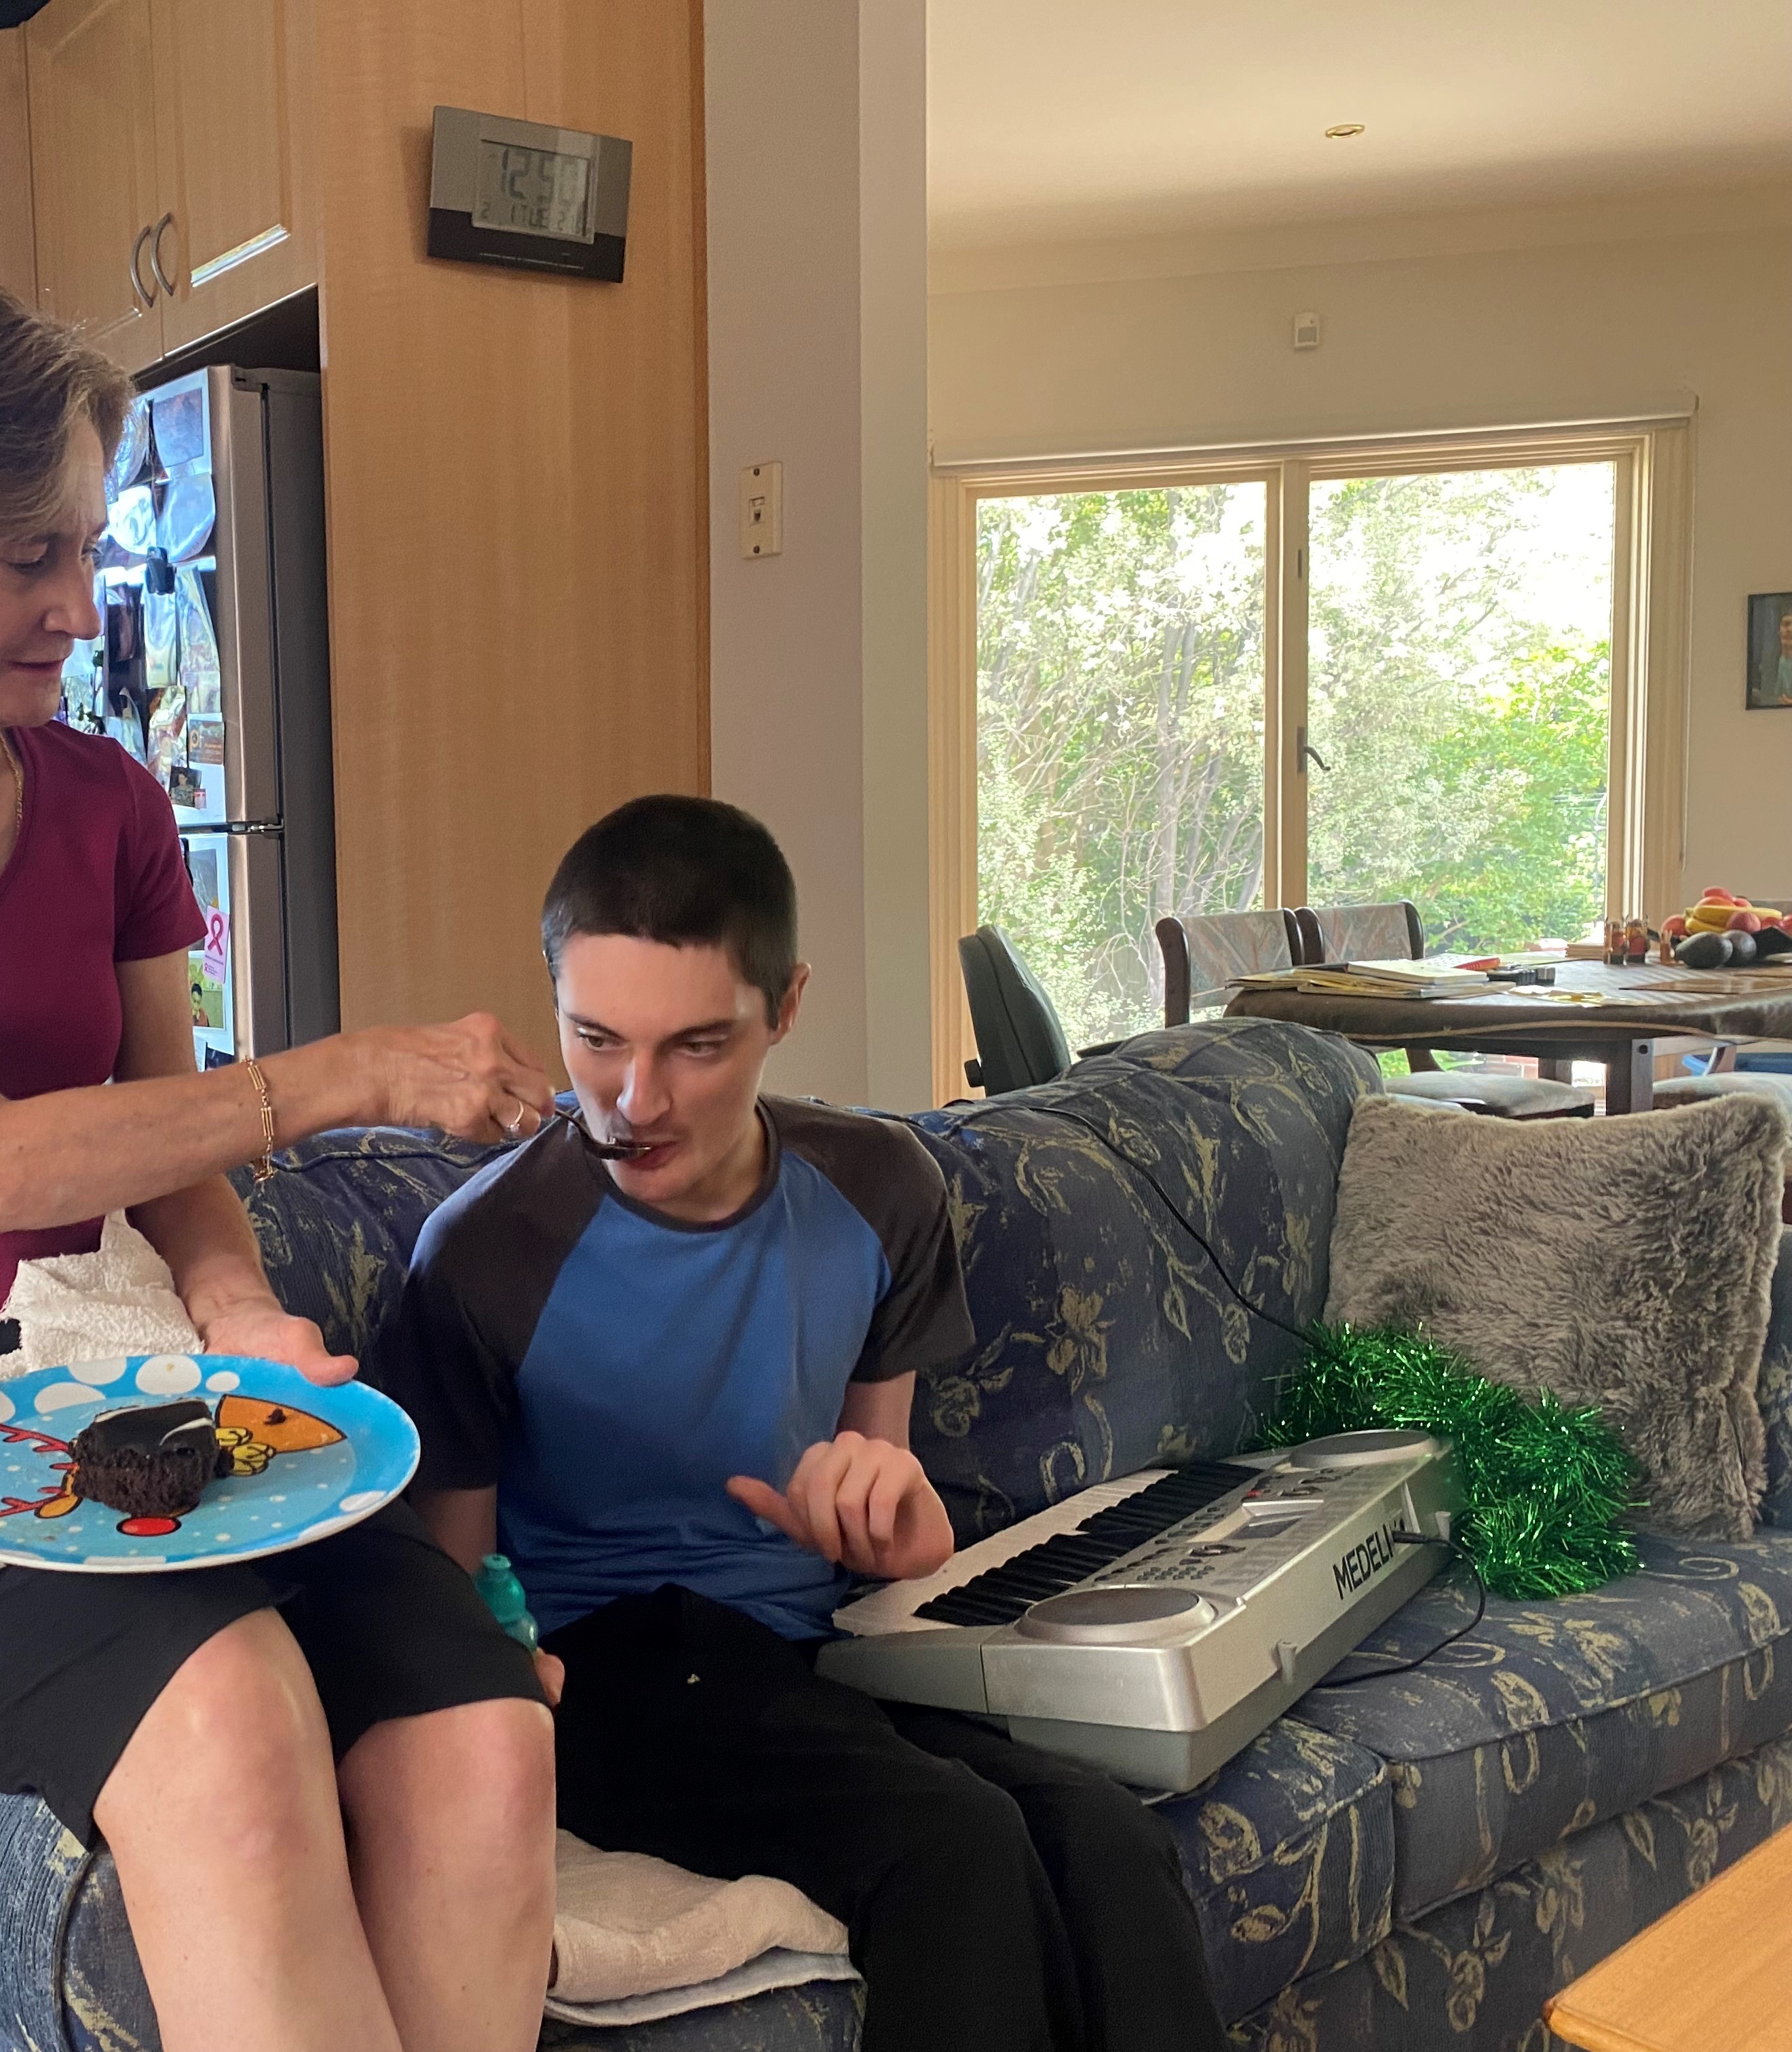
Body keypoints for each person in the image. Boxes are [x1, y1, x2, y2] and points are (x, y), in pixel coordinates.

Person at [0, 264, 562, 2052]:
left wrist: (235, 1304)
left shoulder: (112, 801)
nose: (80, 602)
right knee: (227, 1723)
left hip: (116, 1362)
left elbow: (160, 1146)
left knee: (483, 1737)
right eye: (21, 558)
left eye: (85, 544)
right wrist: (352, 1072)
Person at [370, 795, 1231, 2052]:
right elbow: (453, 1599)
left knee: (1105, 1833)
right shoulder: (485, 1255)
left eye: (697, 1048)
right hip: (608, 1668)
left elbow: (875, 1489)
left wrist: (892, 1529)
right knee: (953, 1843)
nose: (633, 1099)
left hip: (810, 1651)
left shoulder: (881, 1189)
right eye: (595, 1038)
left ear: (786, 1008)